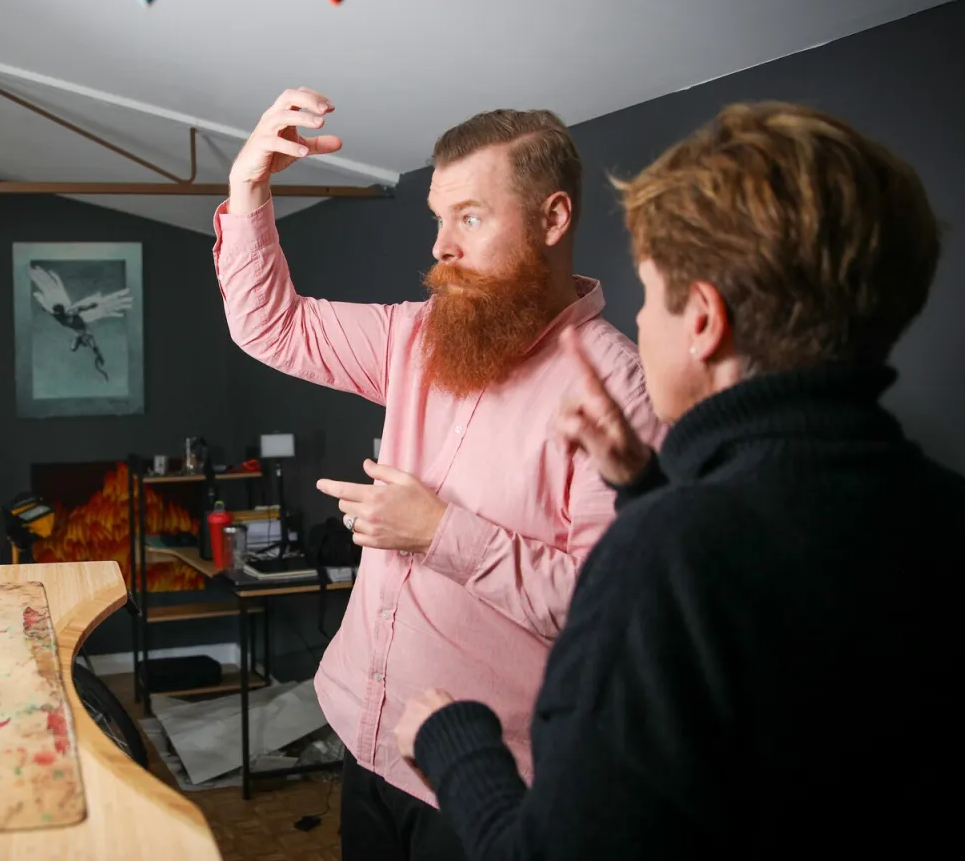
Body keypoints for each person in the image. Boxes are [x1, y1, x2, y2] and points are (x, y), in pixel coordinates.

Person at [394, 101, 965, 858]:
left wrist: (456, 740)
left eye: (646, 295)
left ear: (703, 321)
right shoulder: (959, 515)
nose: (637, 323)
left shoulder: (666, 555)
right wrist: (646, 484)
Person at [214, 87, 665, 859]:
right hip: (368, 735)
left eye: (471, 217)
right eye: (437, 218)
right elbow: (273, 324)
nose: (441, 248)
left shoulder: (621, 392)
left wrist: (441, 534)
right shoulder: (415, 336)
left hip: (486, 787)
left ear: (554, 219)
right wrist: (248, 192)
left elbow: (608, 608)